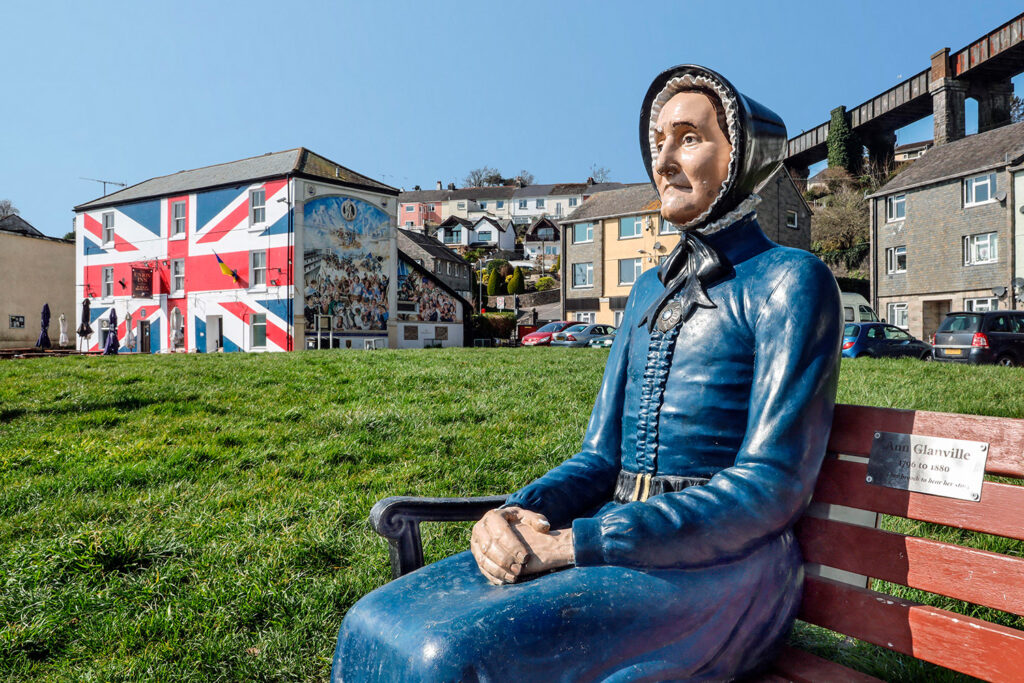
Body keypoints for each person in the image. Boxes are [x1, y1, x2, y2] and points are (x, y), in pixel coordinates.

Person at [332, 65, 841, 681]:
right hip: (616, 545)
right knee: (373, 621)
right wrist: (521, 512)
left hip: (725, 572)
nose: (664, 162)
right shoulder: (650, 290)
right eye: (658, 144)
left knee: (451, 658)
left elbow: (770, 488)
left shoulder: (790, 281)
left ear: (744, 156)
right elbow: (599, 458)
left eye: (689, 138)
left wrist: (578, 543)